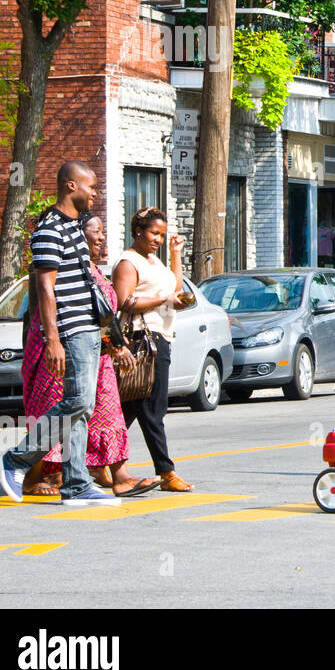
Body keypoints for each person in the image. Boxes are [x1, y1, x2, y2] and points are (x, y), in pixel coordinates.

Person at [0, 161, 121, 506]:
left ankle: (76, 484)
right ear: (71, 186)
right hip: (70, 329)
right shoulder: (50, 229)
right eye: (91, 186)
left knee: (82, 409)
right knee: (79, 401)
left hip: (88, 328)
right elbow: (44, 287)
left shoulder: (74, 229)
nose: (95, 193)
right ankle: (17, 458)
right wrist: (52, 338)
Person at [21, 213, 159, 497]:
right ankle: (31, 474)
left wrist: (117, 345)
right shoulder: (61, 268)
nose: (100, 237)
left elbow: (102, 313)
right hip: (63, 352)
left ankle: (120, 476)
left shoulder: (92, 269)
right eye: (95, 231)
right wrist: (53, 343)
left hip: (99, 353)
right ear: (76, 235)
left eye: (101, 231)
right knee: (58, 415)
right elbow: (60, 309)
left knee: (108, 413)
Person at [113, 207, 193, 492]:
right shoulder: (128, 261)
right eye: (153, 233)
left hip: (161, 337)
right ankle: (166, 472)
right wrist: (163, 299)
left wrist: (175, 255)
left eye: (161, 234)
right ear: (138, 231)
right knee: (152, 408)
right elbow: (124, 303)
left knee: (128, 410)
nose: (158, 239)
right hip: (142, 339)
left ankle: (96, 462)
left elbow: (175, 285)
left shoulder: (153, 261)